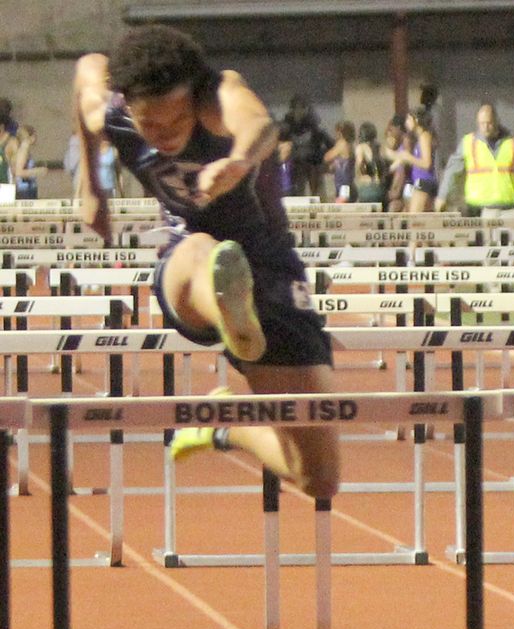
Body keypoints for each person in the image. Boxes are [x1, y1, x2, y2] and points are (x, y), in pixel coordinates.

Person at [74, 24, 339, 500]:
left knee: (319, 476)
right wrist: (90, 185)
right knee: (202, 250)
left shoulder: (218, 95)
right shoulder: (110, 112)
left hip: (270, 266)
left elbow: (257, 122)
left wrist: (238, 160)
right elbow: (86, 70)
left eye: (176, 122)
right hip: (186, 262)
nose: (165, 136)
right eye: (149, 126)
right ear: (127, 104)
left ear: (194, 100)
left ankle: (225, 423)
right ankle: (230, 310)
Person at [438, 103, 514, 217]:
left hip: (510, 209)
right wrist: (443, 196)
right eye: (481, 123)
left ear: (497, 121)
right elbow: (452, 171)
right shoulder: (469, 143)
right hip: (479, 210)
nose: (485, 127)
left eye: (489, 123)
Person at [279, 94, 332, 199]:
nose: (299, 111)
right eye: (296, 108)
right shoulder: (286, 126)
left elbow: (329, 143)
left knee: (318, 192)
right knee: (298, 192)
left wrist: (323, 158)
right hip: (295, 165)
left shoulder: (315, 126)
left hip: (313, 163)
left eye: (302, 108)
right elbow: (280, 143)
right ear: (292, 109)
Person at [390, 105, 436, 212]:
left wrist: (408, 157)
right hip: (419, 181)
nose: (406, 122)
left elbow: (426, 163)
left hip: (424, 181)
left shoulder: (424, 136)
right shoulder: (419, 138)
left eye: (409, 119)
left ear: (416, 120)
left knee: (414, 219)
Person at [323, 119, 356, 202]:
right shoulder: (351, 145)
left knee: (341, 207)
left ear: (340, 133)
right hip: (348, 183)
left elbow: (327, 157)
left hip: (343, 184)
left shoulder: (342, 144)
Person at [13, 125, 47, 199]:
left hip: (29, 188)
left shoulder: (26, 152)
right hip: (25, 190)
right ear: (30, 137)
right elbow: (19, 172)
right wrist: (37, 171)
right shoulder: (23, 152)